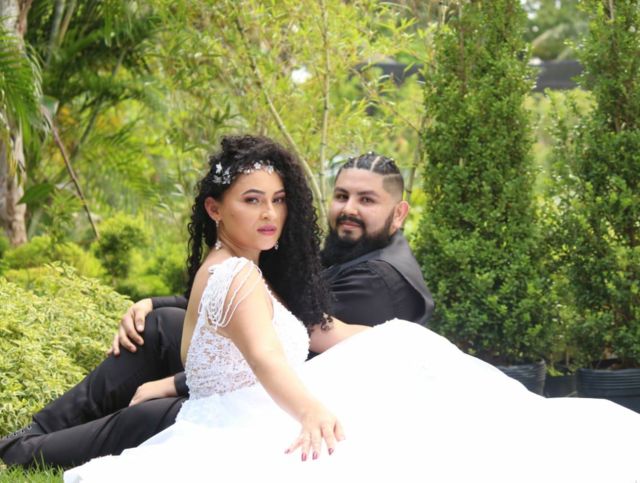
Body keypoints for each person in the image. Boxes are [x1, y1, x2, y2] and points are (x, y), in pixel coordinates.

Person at [63, 137, 640, 482]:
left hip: (279, 396)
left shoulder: (378, 279)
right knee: (159, 322)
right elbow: (250, 303)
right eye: (341, 196)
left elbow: (280, 339)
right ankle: (54, 426)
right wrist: (157, 301)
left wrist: (175, 381)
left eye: (367, 200)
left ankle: (50, 433)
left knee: (160, 333)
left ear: (399, 213)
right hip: (251, 381)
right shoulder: (334, 255)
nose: (349, 209)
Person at [0, 144, 434, 467]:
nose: (270, 214)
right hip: (183, 418)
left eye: (278, 200)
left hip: (231, 410)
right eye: (252, 200)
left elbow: (324, 333)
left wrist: (405, 341)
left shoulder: (259, 270)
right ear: (215, 209)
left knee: (158, 326)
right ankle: (29, 436)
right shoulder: (238, 273)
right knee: (22, 453)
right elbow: (265, 354)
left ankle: (40, 429)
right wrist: (310, 411)